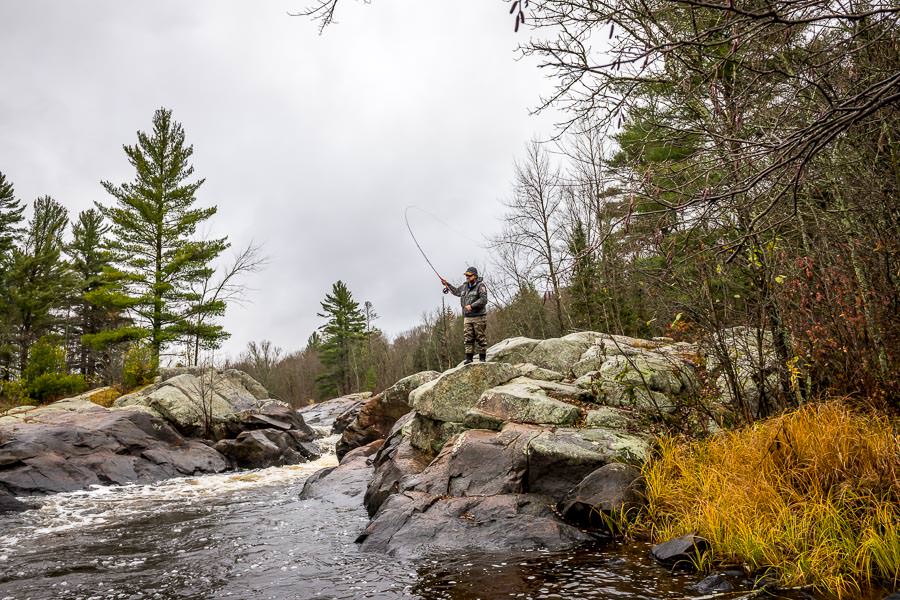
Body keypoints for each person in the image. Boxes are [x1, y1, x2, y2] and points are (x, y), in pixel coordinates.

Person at [440, 267, 488, 364]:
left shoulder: (480, 286)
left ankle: (482, 359)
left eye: (469, 275)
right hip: (467, 317)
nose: (467, 277)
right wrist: (447, 284)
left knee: (480, 338)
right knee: (468, 338)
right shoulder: (464, 286)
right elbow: (456, 291)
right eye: (466, 275)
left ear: (474, 276)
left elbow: (484, 300)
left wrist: (472, 306)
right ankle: (469, 359)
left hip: (479, 316)